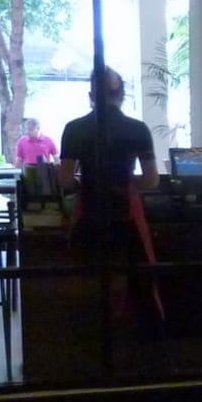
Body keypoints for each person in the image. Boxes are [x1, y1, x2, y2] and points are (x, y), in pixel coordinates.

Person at [59, 67, 164, 328]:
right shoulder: (137, 129)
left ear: (91, 95)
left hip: (88, 215)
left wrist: (84, 182)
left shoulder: (74, 129)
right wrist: (128, 183)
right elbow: (151, 180)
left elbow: (65, 180)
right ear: (122, 95)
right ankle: (129, 339)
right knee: (133, 283)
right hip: (125, 218)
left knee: (88, 282)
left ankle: (88, 336)